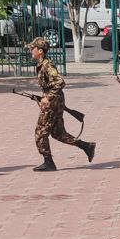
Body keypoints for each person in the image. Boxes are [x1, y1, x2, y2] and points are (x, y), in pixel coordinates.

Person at [25, 37, 96, 172]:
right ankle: (87, 146)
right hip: (55, 100)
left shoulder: (47, 65)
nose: (30, 50)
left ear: (40, 51)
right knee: (58, 133)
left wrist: (48, 98)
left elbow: (60, 82)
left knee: (40, 133)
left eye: (32, 48)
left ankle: (48, 162)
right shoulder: (42, 64)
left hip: (53, 101)